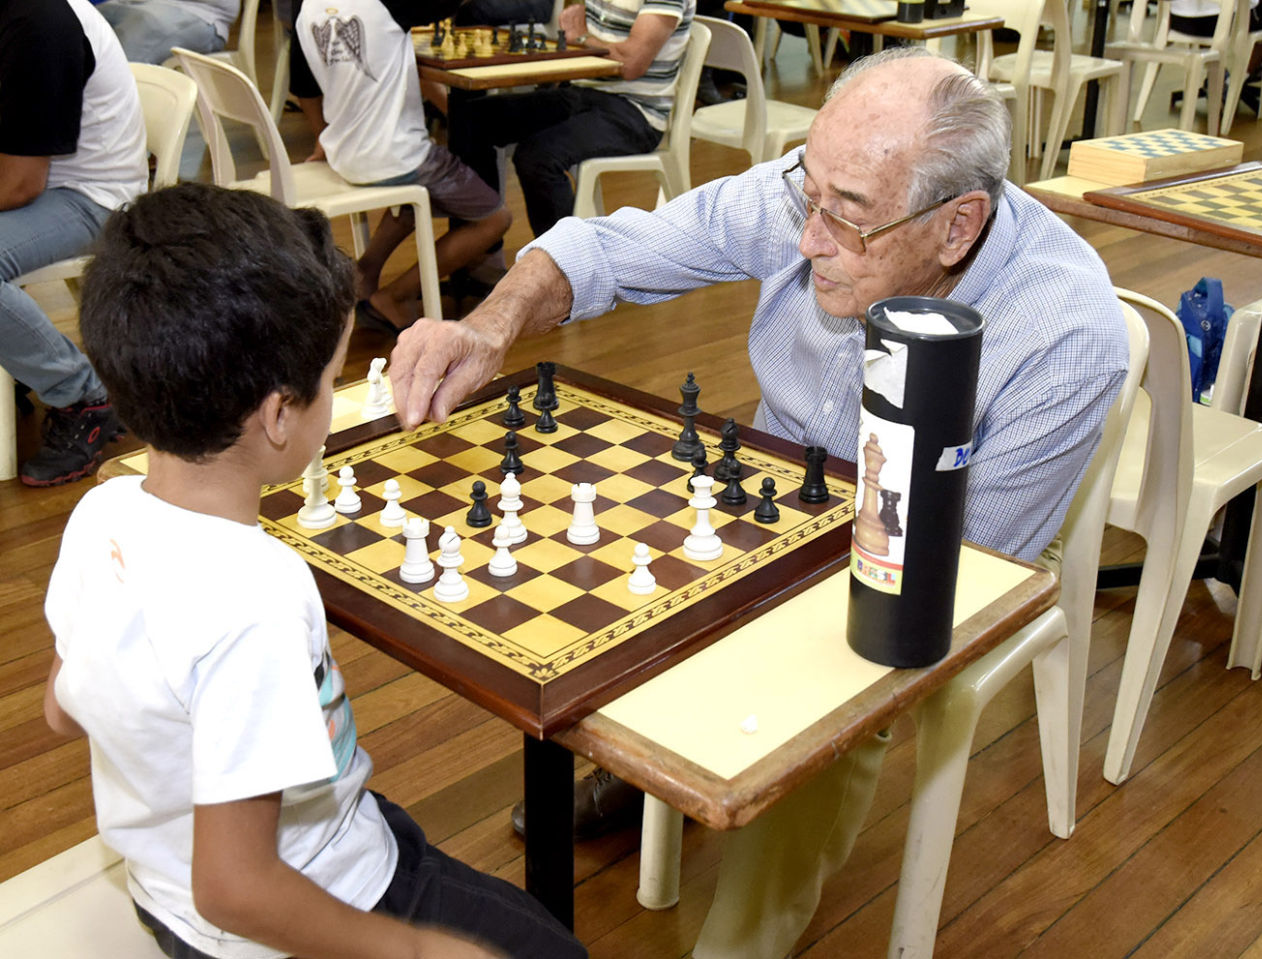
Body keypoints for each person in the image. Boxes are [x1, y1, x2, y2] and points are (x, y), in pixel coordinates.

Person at [387, 47, 1130, 958]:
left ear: (957, 226)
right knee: (620, 542)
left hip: (926, 556)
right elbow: (610, 248)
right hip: (774, 490)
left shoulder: (1067, 334)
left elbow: (968, 574)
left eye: (848, 218)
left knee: (842, 681)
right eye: (809, 195)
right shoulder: (813, 196)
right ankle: (656, 753)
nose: (809, 235)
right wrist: (488, 323)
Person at [43, 183, 586, 959]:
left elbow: (63, 710)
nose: (335, 396)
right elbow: (234, 885)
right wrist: (413, 951)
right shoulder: (257, 592)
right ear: (277, 415)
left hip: (159, 887)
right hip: (287, 912)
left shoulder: (103, 512)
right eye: (331, 381)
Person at [291, 0, 513, 331]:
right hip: (400, 156)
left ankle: (363, 273)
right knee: (496, 219)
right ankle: (397, 295)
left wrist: (323, 137)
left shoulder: (304, 8)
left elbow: (304, 91)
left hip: (345, 153)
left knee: (413, 202)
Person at [0, 0, 147, 486]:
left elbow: (20, 184)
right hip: (35, 180)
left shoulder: (41, 22)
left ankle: (83, 396)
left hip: (91, 196)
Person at [454, 0, 696, 238]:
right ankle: (480, 255)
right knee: (472, 121)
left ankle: (567, 268)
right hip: (583, 92)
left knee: (538, 157)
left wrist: (581, 37)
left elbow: (631, 63)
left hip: (636, 113)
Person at [96, 0, 239, 64]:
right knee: (87, 19)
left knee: (145, 28)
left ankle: (114, 117)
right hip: (143, 4)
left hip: (200, 10)